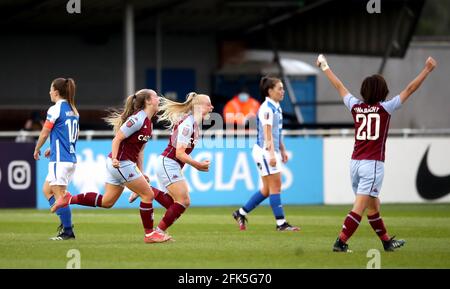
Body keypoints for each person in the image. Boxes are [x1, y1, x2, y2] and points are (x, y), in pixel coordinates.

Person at [316, 54, 437, 252]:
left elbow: (339, 86)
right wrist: (427, 69)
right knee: (360, 207)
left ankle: (387, 242)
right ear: (383, 91)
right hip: (372, 164)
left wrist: (324, 66)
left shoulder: (356, 106)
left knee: (373, 206)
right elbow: (410, 89)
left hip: (355, 163)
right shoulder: (385, 108)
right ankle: (341, 241)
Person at [51, 89, 171, 244]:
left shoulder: (148, 122)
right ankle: (150, 234)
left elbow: (140, 151)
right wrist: (115, 159)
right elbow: (117, 139)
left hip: (121, 164)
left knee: (107, 202)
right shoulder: (137, 119)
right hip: (120, 163)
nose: (158, 99)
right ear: (148, 101)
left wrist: (141, 172)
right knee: (148, 195)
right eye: (155, 97)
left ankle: (69, 198)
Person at [130, 92, 213, 239]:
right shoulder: (188, 124)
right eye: (208, 104)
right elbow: (180, 153)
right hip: (169, 162)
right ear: (198, 107)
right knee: (184, 201)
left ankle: (146, 189)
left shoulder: (192, 123)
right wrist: (197, 165)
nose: (212, 107)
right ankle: (158, 232)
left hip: (170, 163)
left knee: (174, 206)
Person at [232, 76, 300, 232]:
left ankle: (240, 213)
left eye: (283, 88)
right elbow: (268, 133)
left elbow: (277, 132)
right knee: (276, 186)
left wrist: (282, 149)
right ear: (270, 91)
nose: (283, 91)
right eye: (280, 88)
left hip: (269, 150)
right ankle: (281, 224)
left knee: (266, 190)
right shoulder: (267, 108)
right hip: (265, 151)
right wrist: (271, 155)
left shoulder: (276, 106)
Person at [33, 78, 78, 240]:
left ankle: (68, 231)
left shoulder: (55, 109)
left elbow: (45, 132)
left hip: (60, 160)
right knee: (47, 190)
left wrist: (37, 148)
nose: (49, 92)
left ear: (57, 92)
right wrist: (53, 147)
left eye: (51, 89)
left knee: (60, 196)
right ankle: (65, 224)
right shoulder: (73, 109)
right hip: (68, 158)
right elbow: (72, 134)